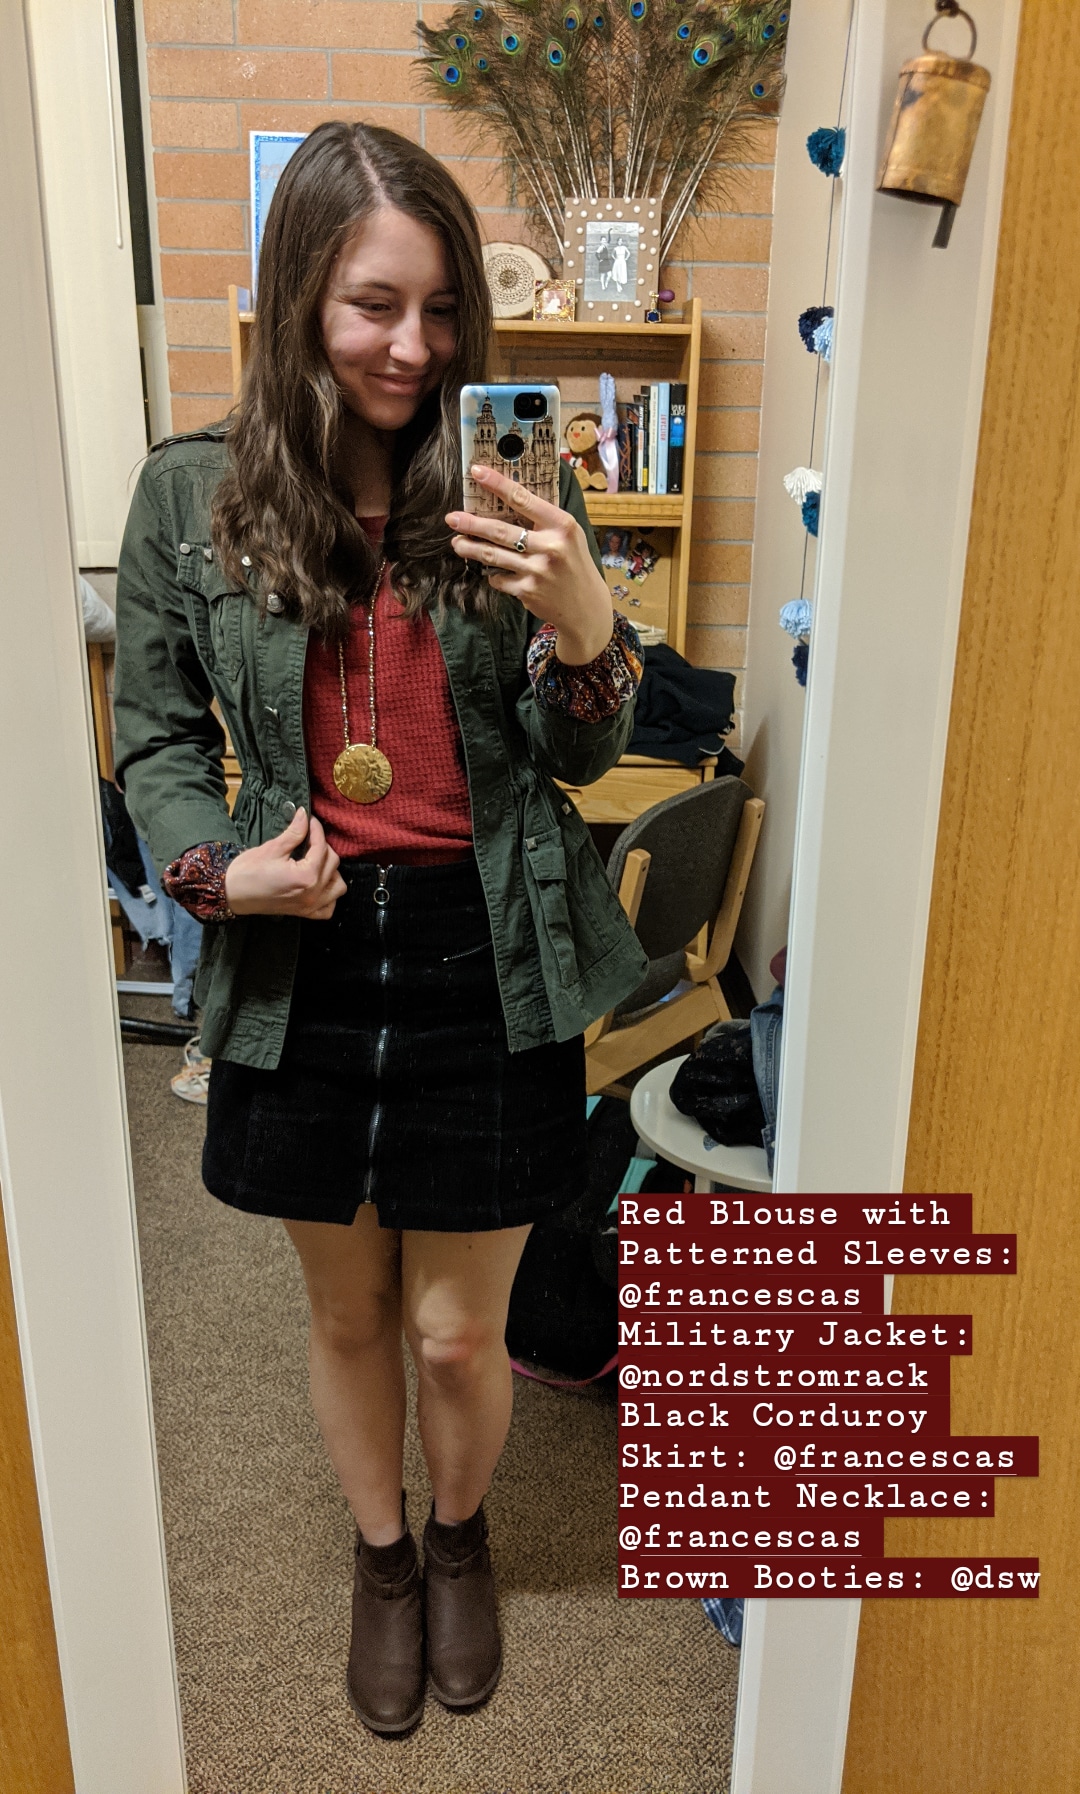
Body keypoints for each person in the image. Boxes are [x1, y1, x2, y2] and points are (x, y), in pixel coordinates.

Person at [113, 122, 646, 1739]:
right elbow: (148, 732)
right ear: (298, 302)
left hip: (492, 943)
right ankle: (384, 1556)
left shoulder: (509, 489)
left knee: (454, 1322)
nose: (413, 349)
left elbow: (576, 755)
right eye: (370, 305)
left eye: (440, 311)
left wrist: (588, 628)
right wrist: (216, 872)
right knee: (345, 1310)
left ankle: (466, 1533)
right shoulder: (191, 495)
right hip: (305, 951)